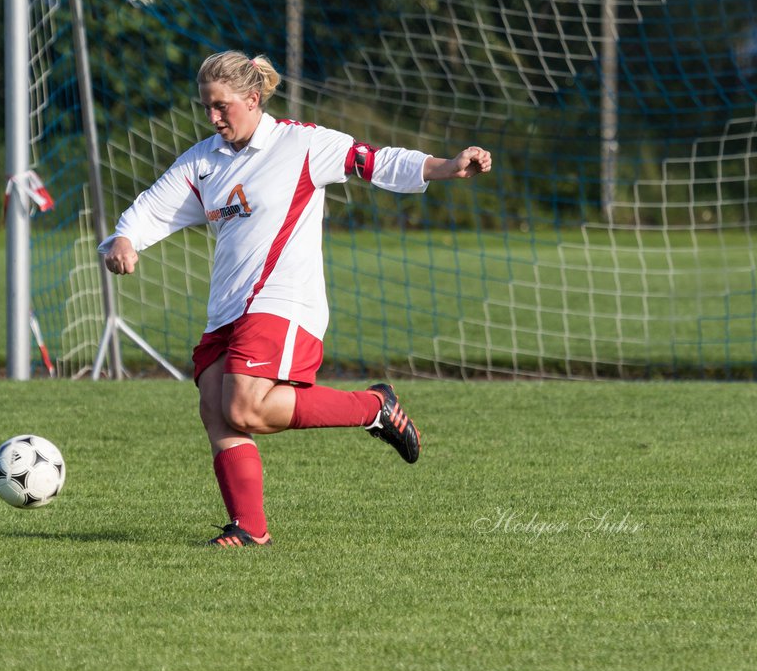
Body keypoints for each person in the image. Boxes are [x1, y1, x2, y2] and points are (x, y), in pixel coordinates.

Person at [99, 50, 492, 548]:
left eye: (222, 106)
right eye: (207, 108)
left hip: (284, 302)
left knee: (244, 407)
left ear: (253, 98)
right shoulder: (203, 161)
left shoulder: (301, 143)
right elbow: (152, 207)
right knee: (216, 410)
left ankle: (372, 407)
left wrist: (444, 166)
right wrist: (123, 240)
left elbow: (374, 161)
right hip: (228, 308)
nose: (214, 117)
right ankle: (249, 528)